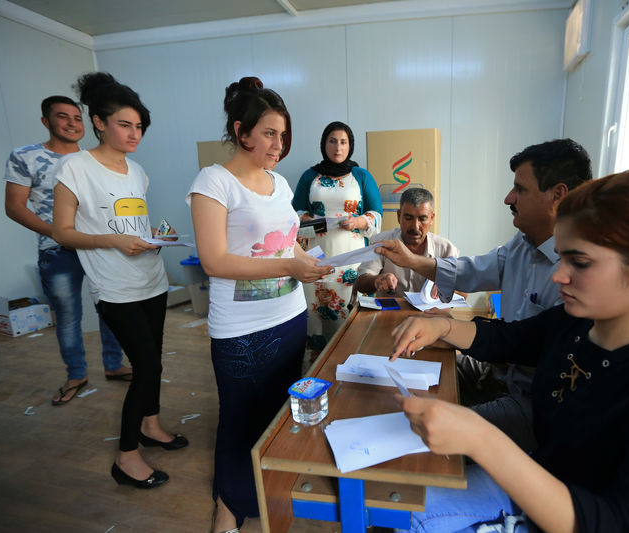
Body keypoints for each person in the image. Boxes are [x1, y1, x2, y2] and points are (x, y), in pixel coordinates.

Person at [390, 170, 629, 533]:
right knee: (399, 509)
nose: (558, 276)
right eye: (560, 258)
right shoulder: (575, 323)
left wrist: (482, 440)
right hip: (535, 485)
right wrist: (443, 326)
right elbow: (508, 339)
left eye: (580, 262)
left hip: (571, 515)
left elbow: (624, 523)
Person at [378, 139, 591, 450]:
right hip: (498, 373)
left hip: (529, 402)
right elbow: (473, 271)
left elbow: (517, 342)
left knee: (423, 437)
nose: (508, 198)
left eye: (520, 189)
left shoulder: (575, 278)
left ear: (557, 195)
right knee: (408, 375)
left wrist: (449, 327)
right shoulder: (523, 243)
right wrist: (412, 263)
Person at [187, 76, 332, 533]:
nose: (278, 143)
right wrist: (290, 268)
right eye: (269, 133)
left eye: (283, 134)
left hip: (288, 317)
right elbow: (214, 261)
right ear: (241, 130)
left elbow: (287, 246)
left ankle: (267, 487)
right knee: (238, 421)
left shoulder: (280, 181)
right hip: (241, 330)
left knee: (276, 413)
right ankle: (227, 508)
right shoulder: (214, 181)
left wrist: (313, 262)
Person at [52, 72, 186, 490]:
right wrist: (113, 241)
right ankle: (126, 456)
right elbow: (62, 232)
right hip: (114, 287)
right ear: (99, 122)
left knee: (155, 362)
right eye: (125, 125)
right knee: (143, 365)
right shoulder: (74, 167)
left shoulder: (137, 171)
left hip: (152, 280)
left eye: (139, 127)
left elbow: (134, 222)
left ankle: (151, 425)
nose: (134, 134)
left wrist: (154, 240)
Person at [4, 96, 132, 407]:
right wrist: (61, 234)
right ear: (46, 122)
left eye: (77, 118)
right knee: (68, 316)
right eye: (63, 117)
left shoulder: (92, 158)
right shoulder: (25, 157)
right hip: (56, 250)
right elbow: (14, 207)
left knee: (111, 309)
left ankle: (113, 365)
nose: (72, 123)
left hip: (100, 248)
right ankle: (76, 374)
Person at [292, 121, 382, 352]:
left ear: (350, 145)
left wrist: (358, 221)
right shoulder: (309, 176)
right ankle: (316, 362)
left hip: (352, 258)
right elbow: (294, 214)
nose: (338, 148)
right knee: (315, 312)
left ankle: (352, 354)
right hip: (317, 257)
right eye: (332, 141)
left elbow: (376, 213)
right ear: (324, 144)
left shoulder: (361, 175)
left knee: (350, 310)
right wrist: (307, 221)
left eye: (343, 142)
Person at [355, 187, 458, 297]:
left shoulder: (446, 248)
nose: (415, 226)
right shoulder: (381, 242)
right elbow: (361, 284)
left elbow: (463, 293)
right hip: (390, 313)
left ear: (432, 218)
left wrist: (448, 288)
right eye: (408, 218)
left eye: (422, 219)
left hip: (431, 313)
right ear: (399, 216)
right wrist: (376, 280)